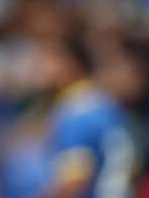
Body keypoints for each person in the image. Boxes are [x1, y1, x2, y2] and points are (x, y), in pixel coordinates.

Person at [35, 35, 138, 198]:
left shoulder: (75, 111)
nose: (40, 67)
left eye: (49, 59)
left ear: (71, 64)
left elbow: (74, 182)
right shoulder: (105, 103)